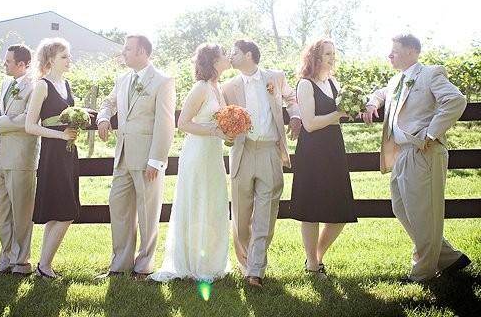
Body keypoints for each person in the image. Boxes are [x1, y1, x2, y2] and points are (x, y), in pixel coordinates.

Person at [363, 33, 470, 282]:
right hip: (402, 154)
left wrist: (431, 134)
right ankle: (450, 258)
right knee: (401, 208)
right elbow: (380, 94)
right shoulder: (396, 80)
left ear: (412, 52)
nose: (390, 55)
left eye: (395, 51)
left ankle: (422, 273)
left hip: (424, 151)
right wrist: (371, 104)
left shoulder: (430, 74)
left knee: (424, 212)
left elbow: (455, 100)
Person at [221, 39, 301, 287]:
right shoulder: (228, 87)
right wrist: (227, 135)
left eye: (234, 52)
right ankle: (246, 262)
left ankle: (256, 269)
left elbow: (291, 97)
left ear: (248, 54)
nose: (230, 56)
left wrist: (295, 116)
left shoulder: (275, 77)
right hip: (242, 152)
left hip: (269, 150)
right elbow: (222, 120)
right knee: (241, 214)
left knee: (266, 210)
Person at [149, 43, 232, 282]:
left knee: (213, 201)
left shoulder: (218, 87)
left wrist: (227, 132)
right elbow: (183, 123)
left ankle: (211, 261)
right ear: (214, 61)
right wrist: (214, 130)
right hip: (197, 153)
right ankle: (192, 263)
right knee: (198, 200)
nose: (227, 57)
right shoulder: (201, 88)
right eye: (224, 54)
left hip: (213, 153)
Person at [96, 35, 175, 280]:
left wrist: (156, 160)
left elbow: (166, 123)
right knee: (118, 207)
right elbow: (108, 103)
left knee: (148, 212)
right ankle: (119, 266)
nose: (124, 53)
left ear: (141, 51)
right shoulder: (122, 79)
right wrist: (103, 117)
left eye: (127, 49)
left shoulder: (163, 81)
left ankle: (144, 266)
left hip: (147, 159)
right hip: (122, 156)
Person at [289, 38, 357, 277]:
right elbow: (309, 124)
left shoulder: (333, 82)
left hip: (333, 149)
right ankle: (311, 264)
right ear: (314, 57)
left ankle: (316, 257)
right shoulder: (305, 84)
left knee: (341, 211)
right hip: (312, 152)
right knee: (311, 210)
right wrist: (338, 114)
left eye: (333, 53)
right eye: (327, 53)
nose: (332, 57)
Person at [25, 38, 80, 279]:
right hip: (52, 153)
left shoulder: (66, 84)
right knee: (67, 211)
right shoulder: (42, 86)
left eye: (69, 56)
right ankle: (44, 266)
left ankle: (43, 265)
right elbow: (30, 125)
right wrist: (60, 135)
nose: (69, 60)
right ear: (50, 60)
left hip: (69, 152)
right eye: (64, 57)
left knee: (60, 210)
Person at [0, 44, 39, 275]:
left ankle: (22, 261)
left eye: (8, 61)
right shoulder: (6, 83)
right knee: (2, 211)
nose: (4, 64)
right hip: (0, 156)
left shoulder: (35, 86)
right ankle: (6, 256)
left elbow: (27, 120)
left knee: (22, 212)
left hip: (21, 157)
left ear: (22, 64)